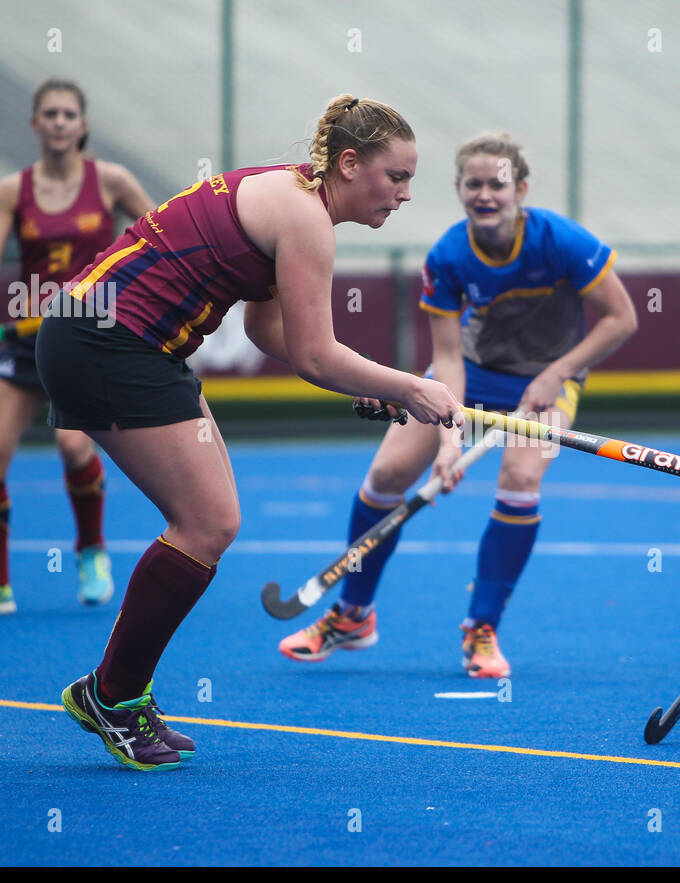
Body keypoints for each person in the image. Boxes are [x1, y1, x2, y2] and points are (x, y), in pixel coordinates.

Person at [38, 94, 462, 770]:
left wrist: (380, 388)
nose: (406, 195)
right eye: (398, 177)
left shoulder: (292, 197)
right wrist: (410, 386)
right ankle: (112, 696)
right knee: (207, 523)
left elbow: (278, 338)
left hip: (127, 344)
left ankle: (118, 691)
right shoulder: (305, 217)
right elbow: (318, 355)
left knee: (212, 522)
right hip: (108, 342)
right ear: (350, 165)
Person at [279, 132, 637, 678]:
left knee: (519, 478)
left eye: (497, 184)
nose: (485, 194)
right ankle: (353, 614)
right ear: (459, 189)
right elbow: (446, 360)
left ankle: (482, 627)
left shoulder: (559, 240)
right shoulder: (448, 255)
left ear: (520, 189)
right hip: (469, 377)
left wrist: (556, 372)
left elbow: (622, 319)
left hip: (544, 385)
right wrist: (451, 440)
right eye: (474, 184)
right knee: (389, 472)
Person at [0, 79, 154, 617]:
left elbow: (159, 237)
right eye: (49, 114)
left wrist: (129, 294)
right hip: (26, 339)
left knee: (73, 446)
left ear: (82, 126)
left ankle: (90, 552)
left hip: (82, 340)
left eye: (68, 114)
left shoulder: (110, 180)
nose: (59, 122)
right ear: (34, 125)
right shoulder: (14, 189)